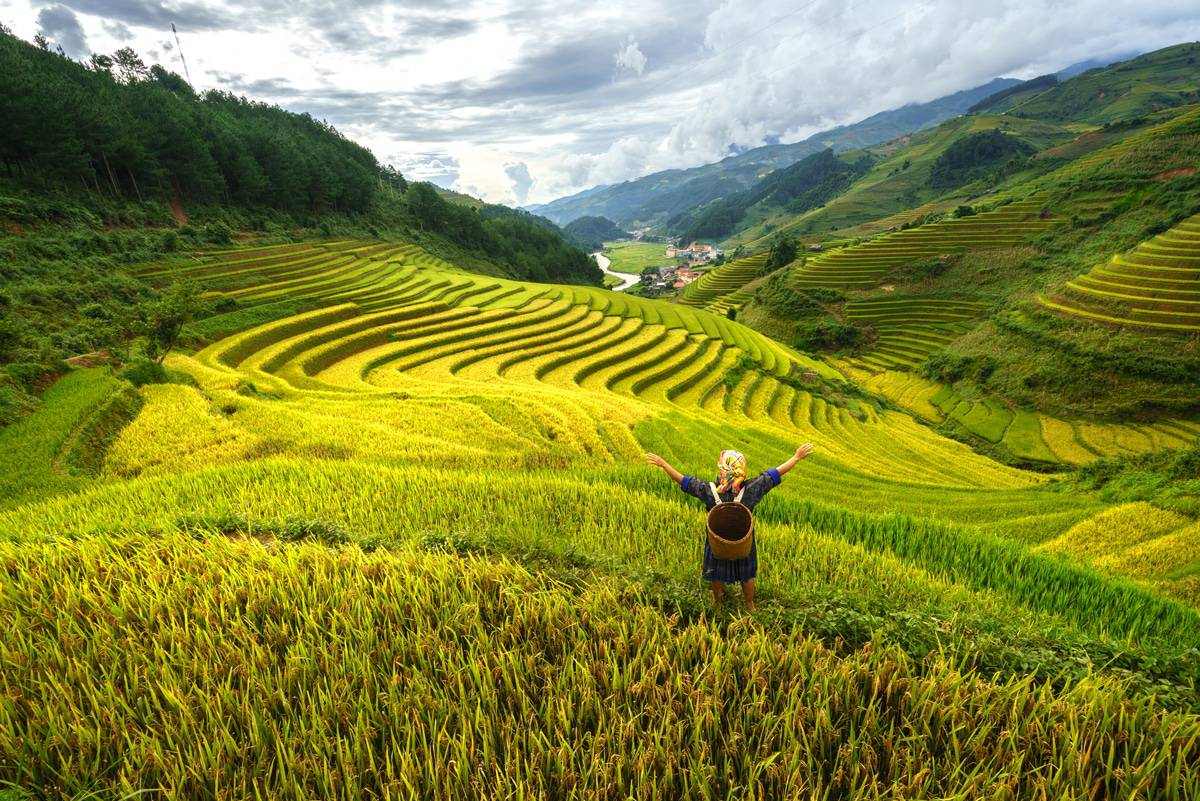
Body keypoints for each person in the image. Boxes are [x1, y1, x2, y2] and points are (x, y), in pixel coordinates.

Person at [645, 444, 814, 610]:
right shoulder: (751, 489)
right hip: (743, 541)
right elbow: (775, 473)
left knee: (717, 572)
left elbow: (684, 481)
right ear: (742, 469)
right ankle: (750, 604)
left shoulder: (709, 490)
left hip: (717, 542)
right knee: (746, 575)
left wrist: (664, 464)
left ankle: (717, 604)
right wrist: (796, 457)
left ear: (722, 470)